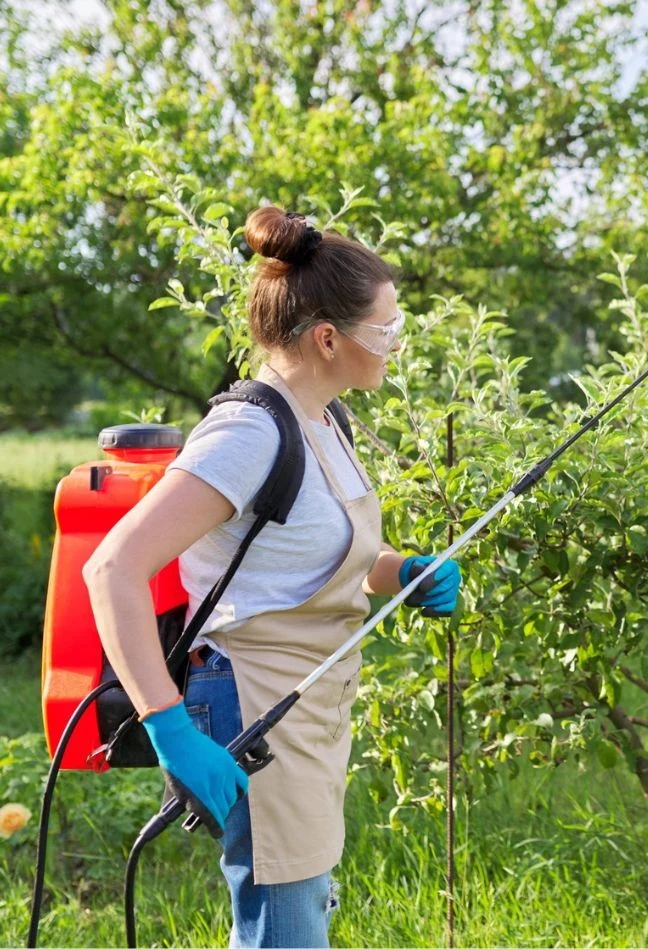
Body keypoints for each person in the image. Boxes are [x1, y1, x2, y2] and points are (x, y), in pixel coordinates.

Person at [82, 205, 459, 948]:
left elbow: (307, 557)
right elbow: (113, 567)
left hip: (307, 706)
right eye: (386, 331)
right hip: (253, 705)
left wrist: (400, 572)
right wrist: (169, 727)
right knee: (284, 934)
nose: (396, 346)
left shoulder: (326, 419)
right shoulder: (252, 432)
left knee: (290, 921)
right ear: (328, 338)